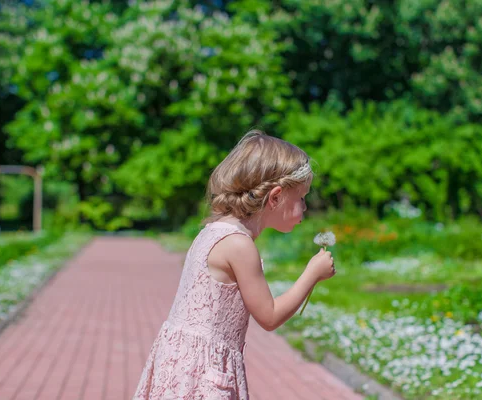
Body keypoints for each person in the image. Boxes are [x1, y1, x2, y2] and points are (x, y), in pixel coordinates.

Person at [133, 130, 336, 400]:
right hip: (204, 373)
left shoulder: (213, 230)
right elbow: (270, 316)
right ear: (274, 197)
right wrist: (312, 274)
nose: (305, 207)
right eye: (301, 198)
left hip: (181, 366)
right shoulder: (240, 245)